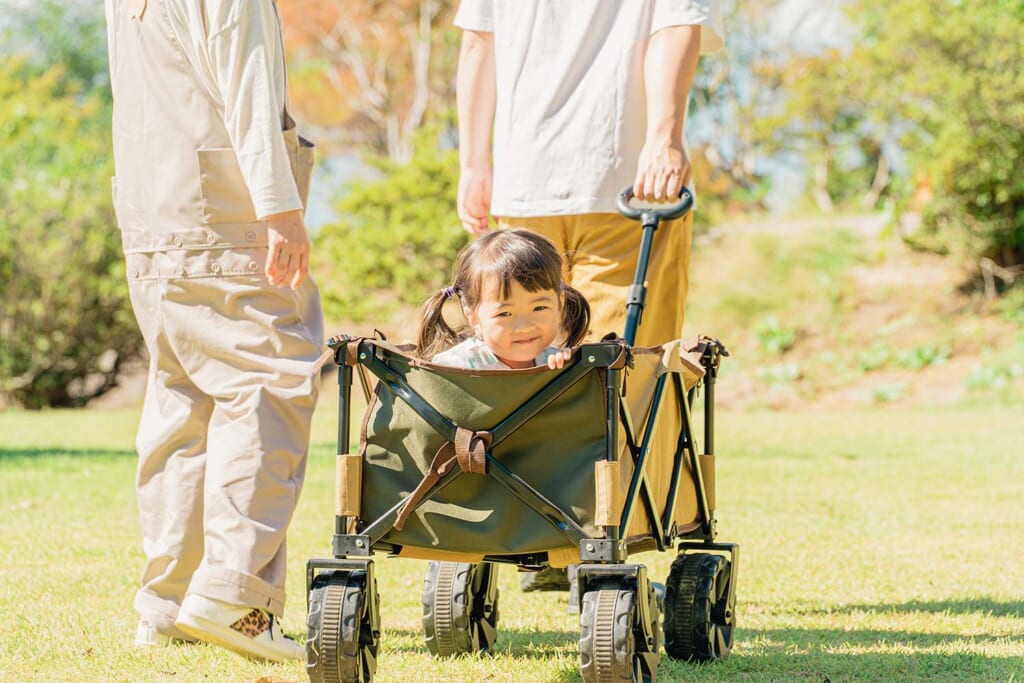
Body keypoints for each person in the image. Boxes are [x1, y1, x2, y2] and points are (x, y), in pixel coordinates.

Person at [452, 0, 724, 591]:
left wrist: (474, 160)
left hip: (528, 178)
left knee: (531, 375)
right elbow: (676, 25)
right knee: (626, 375)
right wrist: (665, 136)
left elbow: (479, 42)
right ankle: (587, 545)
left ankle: (550, 538)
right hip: (627, 178)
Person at [104, 0, 323, 662]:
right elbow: (246, 80)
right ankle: (236, 595)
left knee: (184, 392)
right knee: (267, 376)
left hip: (153, 210)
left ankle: (169, 601)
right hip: (223, 208)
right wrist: (280, 209)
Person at [418, 229, 590, 371]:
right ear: (473, 317)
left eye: (539, 308)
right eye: (505, 313)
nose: (525, 327)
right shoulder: (454, 368)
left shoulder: (554, 362)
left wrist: (570, 370)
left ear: (559, 304)